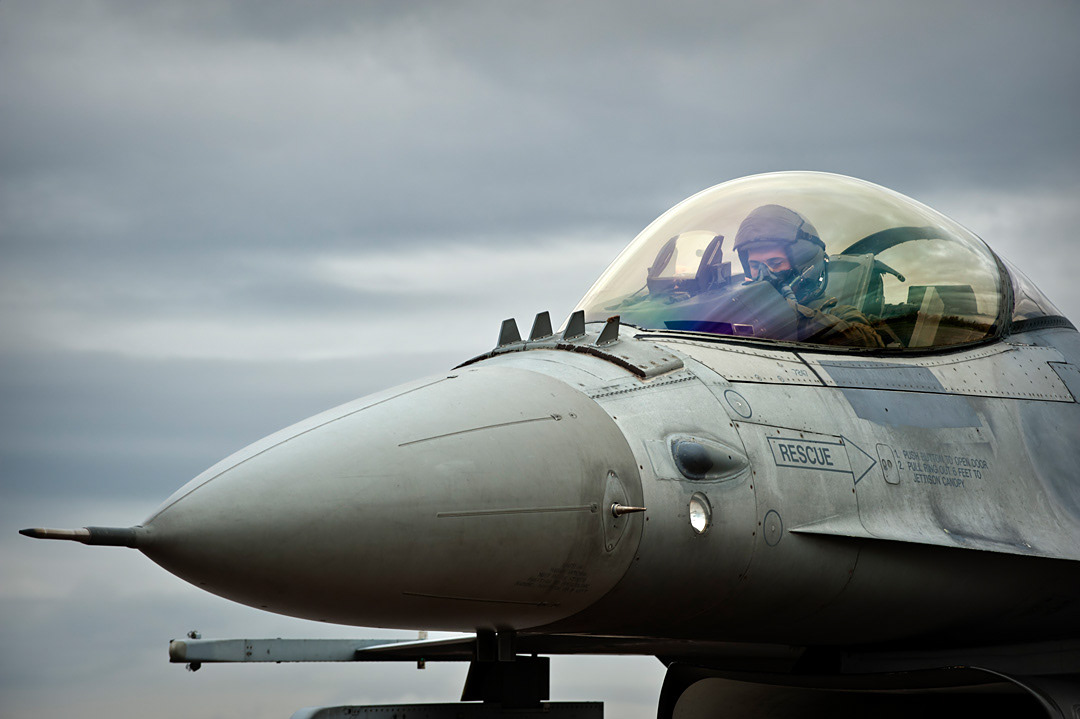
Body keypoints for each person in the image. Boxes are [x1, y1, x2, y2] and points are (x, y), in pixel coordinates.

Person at [733, 204, 884, 348]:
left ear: (804, 267)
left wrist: (789, 313)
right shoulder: (743, 312)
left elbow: (867, 342)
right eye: (754, 266)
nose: (764, 273)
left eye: (775, 263)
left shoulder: (840, 314)